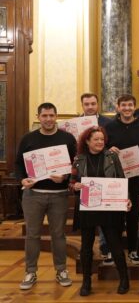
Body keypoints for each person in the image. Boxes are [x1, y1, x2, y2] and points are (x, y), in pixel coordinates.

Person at [15, 102, 77, 290]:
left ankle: (61, 270)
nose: (48, 119)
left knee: (58, 235)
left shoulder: (67, 138)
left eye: (51, 115)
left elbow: (75, 165)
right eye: (45, 116)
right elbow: (18, 164)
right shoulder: (28, 138)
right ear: (38, 117)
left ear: (56, 116)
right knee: (32, 235)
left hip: (58, 195)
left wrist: (65, 177)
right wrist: (22, 180)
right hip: (33, 195)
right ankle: (30, 272)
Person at [70, 126, 130, 296]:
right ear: (87, 141)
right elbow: (71, 182)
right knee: (86, 247)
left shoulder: (112, 157)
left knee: (115, 244)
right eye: (96, 139)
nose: (99, 142)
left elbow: (121, 179)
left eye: (102, 139)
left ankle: (124, 279)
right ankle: (86, 281)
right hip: (88, 207)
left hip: (109, 207)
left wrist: (127, 198)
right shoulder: (78, 159)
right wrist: (75, 186)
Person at [105, 94, 139, 265]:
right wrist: (108, 149)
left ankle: (134, 249)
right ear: (118, 107)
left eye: (130, 105)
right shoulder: (109, 127)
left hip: (137, 177)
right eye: (124, 105)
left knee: (134, 215)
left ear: (135, 107)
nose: (127, 108)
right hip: (116, 178)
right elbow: (101, 148)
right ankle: (115, 250)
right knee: (115, 216)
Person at [80, 92, 113, 265]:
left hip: (104, 173)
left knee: (105, 215)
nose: (90, 107)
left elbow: (111, 144)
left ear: (98, 104)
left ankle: (105, 248)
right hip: (84, 173)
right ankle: (87, 250)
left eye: (93, 103)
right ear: (82, 106)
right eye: (87, 104)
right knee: (88, 218)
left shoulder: (108, 123)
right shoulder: (74, 125)